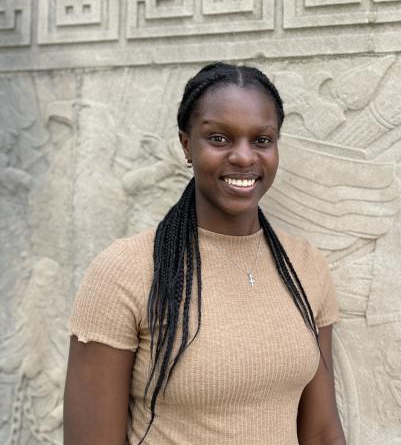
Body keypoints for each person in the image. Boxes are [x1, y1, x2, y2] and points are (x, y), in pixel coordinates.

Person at [63, 62, 346, 445]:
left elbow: (322, 431)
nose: (244, 157)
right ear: (186, 145)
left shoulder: (305, 267)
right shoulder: (125, 271)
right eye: (219, 139)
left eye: (262, 140)